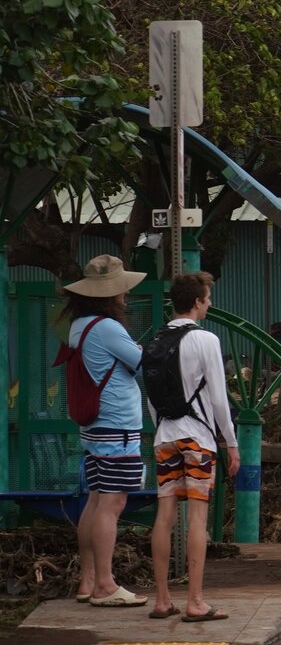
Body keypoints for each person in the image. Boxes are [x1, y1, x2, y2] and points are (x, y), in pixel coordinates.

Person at [147, 270, 239, 623]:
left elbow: (153, 396)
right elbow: (218, 398)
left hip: (165, 436)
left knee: (165, 515)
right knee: (197, 518)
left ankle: (161, 600)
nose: (210, 303)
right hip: (198, 439)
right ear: (198, 302)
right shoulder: (205, 340)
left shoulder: (157, 339)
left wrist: (160, 428)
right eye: (208, 298)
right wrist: (231, 444)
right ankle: (196, 601)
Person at [61, 255, 150, 607]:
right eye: (121, 289)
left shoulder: (79, 325)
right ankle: (105, 585)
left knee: (96, 501)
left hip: (95, 427)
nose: (125, 295)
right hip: (117, 426)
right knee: (113, 504)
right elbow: (142, 362)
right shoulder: (108, 328)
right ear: (109, 294)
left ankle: (87, 581)